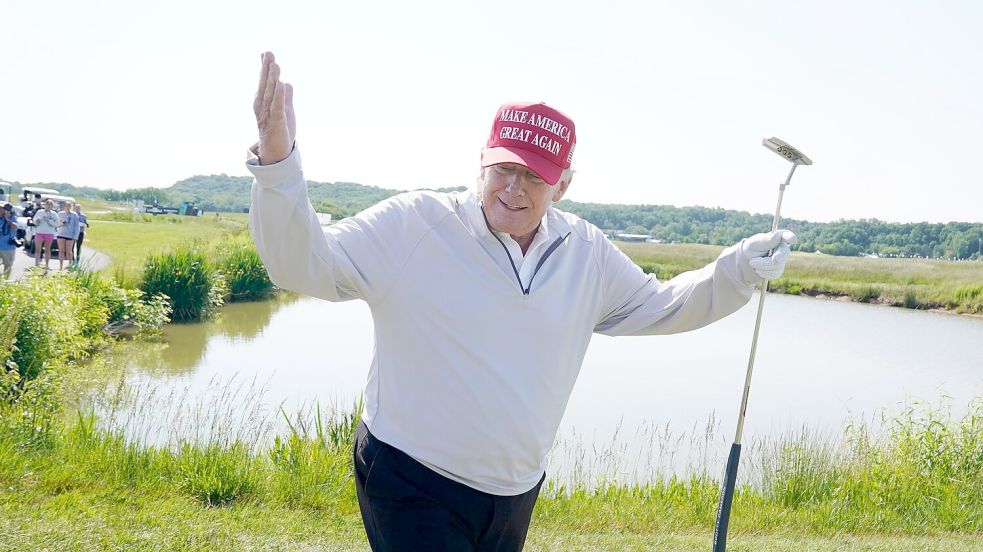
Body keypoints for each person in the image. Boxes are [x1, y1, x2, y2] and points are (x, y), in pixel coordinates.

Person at [248, 52, 796, 552]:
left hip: (513, 493)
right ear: (481, 162)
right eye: (504, 168)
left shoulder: (586, 251)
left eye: (535, 176)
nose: (514, 187)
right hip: (410, 476)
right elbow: (304, 264)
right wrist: (279, 170)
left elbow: (664, 305)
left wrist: (739, 269)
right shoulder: (413, 224)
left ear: (563, 185)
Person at [31, 199, 59, 272]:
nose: (49, 206)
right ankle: (36, 264)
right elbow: (34, 221)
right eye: (47, 204)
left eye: (50, 205)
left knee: (47, 249)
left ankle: (46, 265)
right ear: (45, 205)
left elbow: (57, 224)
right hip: (39, 232)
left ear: (52, 206)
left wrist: (49, 221)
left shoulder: (54, 214)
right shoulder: (39, 212)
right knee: (38, 249)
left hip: (49, 233)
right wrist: (38, 220)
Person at [56, 201, 79, 270]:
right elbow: (56, 224)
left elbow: (76, 226)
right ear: (64, 207)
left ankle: (70, 265)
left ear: (71, 207)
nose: (67, 207)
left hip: (70, 235)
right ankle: (60, 266)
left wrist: (75, 236)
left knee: (69, 251)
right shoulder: (60, 214)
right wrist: (61, 224)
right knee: (61, 250)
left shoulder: (74, 215)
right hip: (61, 234)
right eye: (66, 206)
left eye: (69, 206)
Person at [0, 203, 17, 280]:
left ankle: (5, 283)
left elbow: (15, 227)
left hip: (8, 247)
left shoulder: (12, 218)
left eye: (3, 208)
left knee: (8, 266)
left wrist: (7, 219)